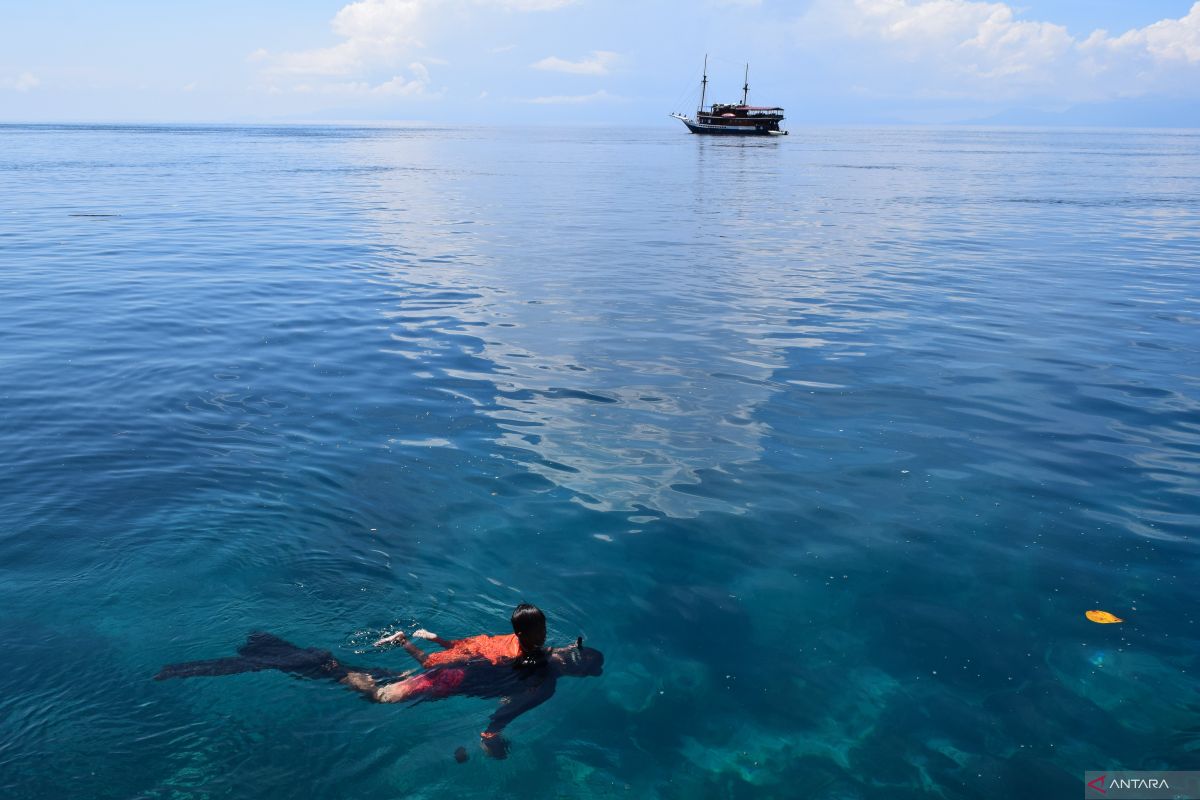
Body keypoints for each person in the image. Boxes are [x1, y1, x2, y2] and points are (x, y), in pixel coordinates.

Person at [155, 630, 603, 759]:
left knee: (378, 674)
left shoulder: (529, 645)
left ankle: (272, 649)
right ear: (578, 676)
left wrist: (429, 645)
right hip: (447, 682)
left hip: (449, 669)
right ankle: (323, 664)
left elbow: (473, 647)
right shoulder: (543, 688)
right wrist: (495, 745)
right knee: (377, 696)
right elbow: (494, 727)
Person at [374, 602, 547, 669]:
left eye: (544, 628)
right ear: (520, 634)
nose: (544, 634)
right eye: (539, 631)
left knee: (452, 645)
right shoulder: (513, 655)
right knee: (429, 664)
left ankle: (434, 637)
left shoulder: (518, 636)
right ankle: (402, 640)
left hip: (482, 641)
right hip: (478, 650)